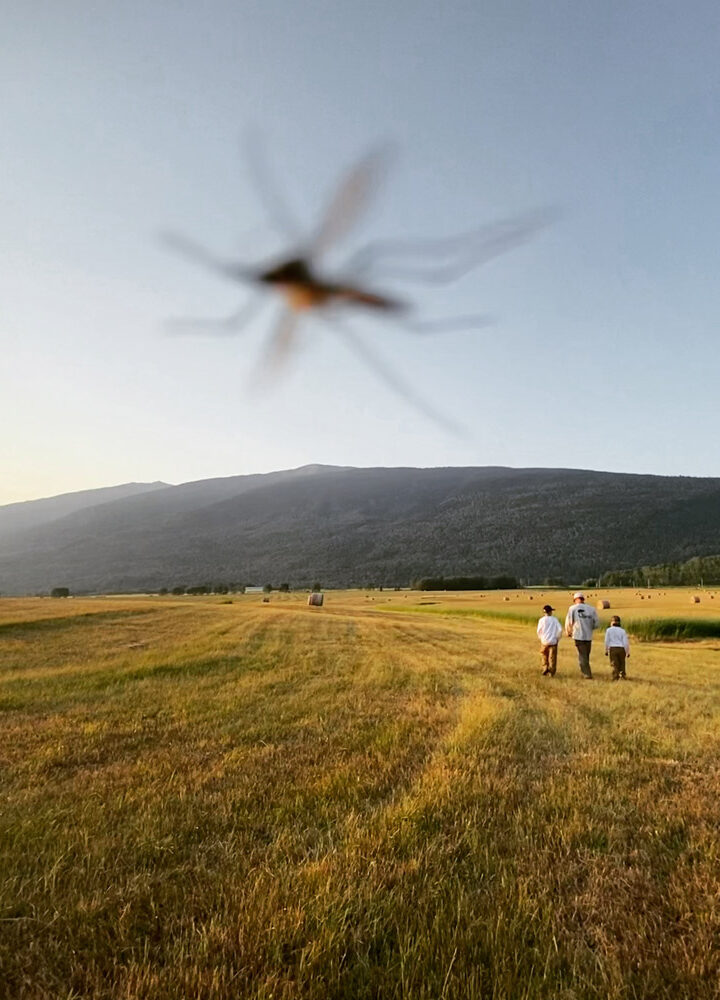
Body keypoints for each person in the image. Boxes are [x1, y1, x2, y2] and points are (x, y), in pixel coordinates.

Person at [565, 592, 599, 679]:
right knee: (586, 654)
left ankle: (587, 674)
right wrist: (590, 628)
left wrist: (568, 631)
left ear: (575, 600)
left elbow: (569, 621)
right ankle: (585, 670)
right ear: (583, 599)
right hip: (588, 636)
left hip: (578, 635)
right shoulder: (591, 609)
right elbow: (596, 624)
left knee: (582, 655)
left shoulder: (572, 608)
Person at [537, 604, 562, 676]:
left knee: (544, 655)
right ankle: (552, 671)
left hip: (544, 641)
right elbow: (560, 629)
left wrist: (541, 638)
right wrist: (558, 638)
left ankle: (545, 667)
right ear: (550, 612)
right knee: (552, 657)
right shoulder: (554, 619)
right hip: (553, 641)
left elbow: (539, 631)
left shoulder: (541, 620)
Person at [604, 615, 630, 680]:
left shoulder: (608, 630)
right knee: (622, 663)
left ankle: (615, 676)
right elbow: (625, 642)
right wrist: (627, 652)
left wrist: (606, 650)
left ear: (612, 622)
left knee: (614, 663)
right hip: (621, 649)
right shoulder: (622, 631)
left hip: (613, 648)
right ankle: (622, 675)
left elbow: (606, 641)